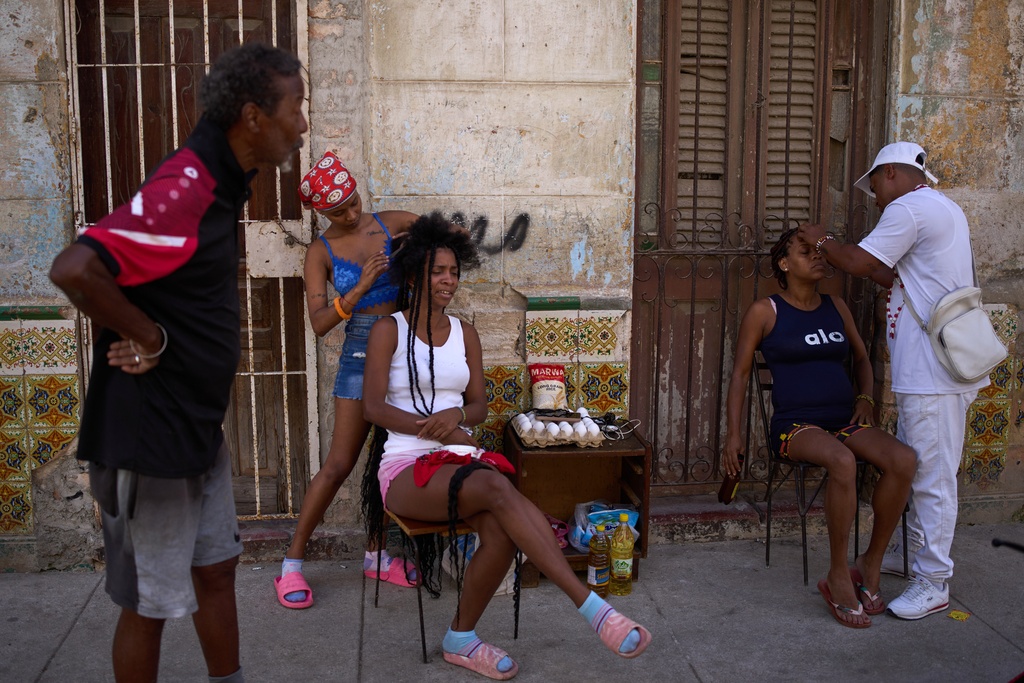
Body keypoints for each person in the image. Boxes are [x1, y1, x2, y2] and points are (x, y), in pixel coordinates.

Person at [48, 43, 307, 683]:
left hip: (194, 431)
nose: (302, 124)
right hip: (149, 439)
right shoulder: (185, 186)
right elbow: (76, 268)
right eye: (295, 109)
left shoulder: (221, 183)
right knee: (149, 605)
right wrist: (150, 336)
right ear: (252, 116)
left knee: (217, 570)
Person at [360, 213, 652, 679]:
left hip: (459, 458)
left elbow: (478, 406)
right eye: (438, 271)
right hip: (405, 468)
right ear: (414, 274)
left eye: (454, 272)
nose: (448, 280)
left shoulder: (464, 334)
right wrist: (432, 428)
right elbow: (373, 407)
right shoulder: (387, 331)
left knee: (499, 529)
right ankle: (591, 608)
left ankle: (460, 639)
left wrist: (456, 419)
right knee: (498, 490)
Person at [798, 141, 988, 620]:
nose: (877, 200)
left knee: (932, 481)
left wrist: (822, 241)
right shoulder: (942, 208)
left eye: (876, 188)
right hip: (932, 372)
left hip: (932, 375)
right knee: (921, 471)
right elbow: (897, 277)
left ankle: (934, 580)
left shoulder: (911, 208)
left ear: (891, 175)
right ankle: (918, 561)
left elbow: (861, 264)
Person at [723, 228, 915, 629]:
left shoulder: (837, 306)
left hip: (843, 421)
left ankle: (871, 563)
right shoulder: (765, 311)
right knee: (842, 461)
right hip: (795, 426)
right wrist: (734, 436)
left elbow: (862, 360)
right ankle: (838, 574)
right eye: (805, 251)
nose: (818, 257)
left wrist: (867, 398)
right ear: (784, 263)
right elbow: (740, 376)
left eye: (819, 251)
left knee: (903, 459)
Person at [273, 152, 419, 608]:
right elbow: (318, 323)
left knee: (386, 456)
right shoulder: (320, 252)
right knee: (340, 462)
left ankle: (376, 554)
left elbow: (450, 236)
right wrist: (358, 290)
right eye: (340, 211)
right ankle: (291, 565)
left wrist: (423, 242)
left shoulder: (390, 221)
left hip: (404, 347)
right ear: (323, 213)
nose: (352, 214)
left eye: (354, 203)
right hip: (359, 351)